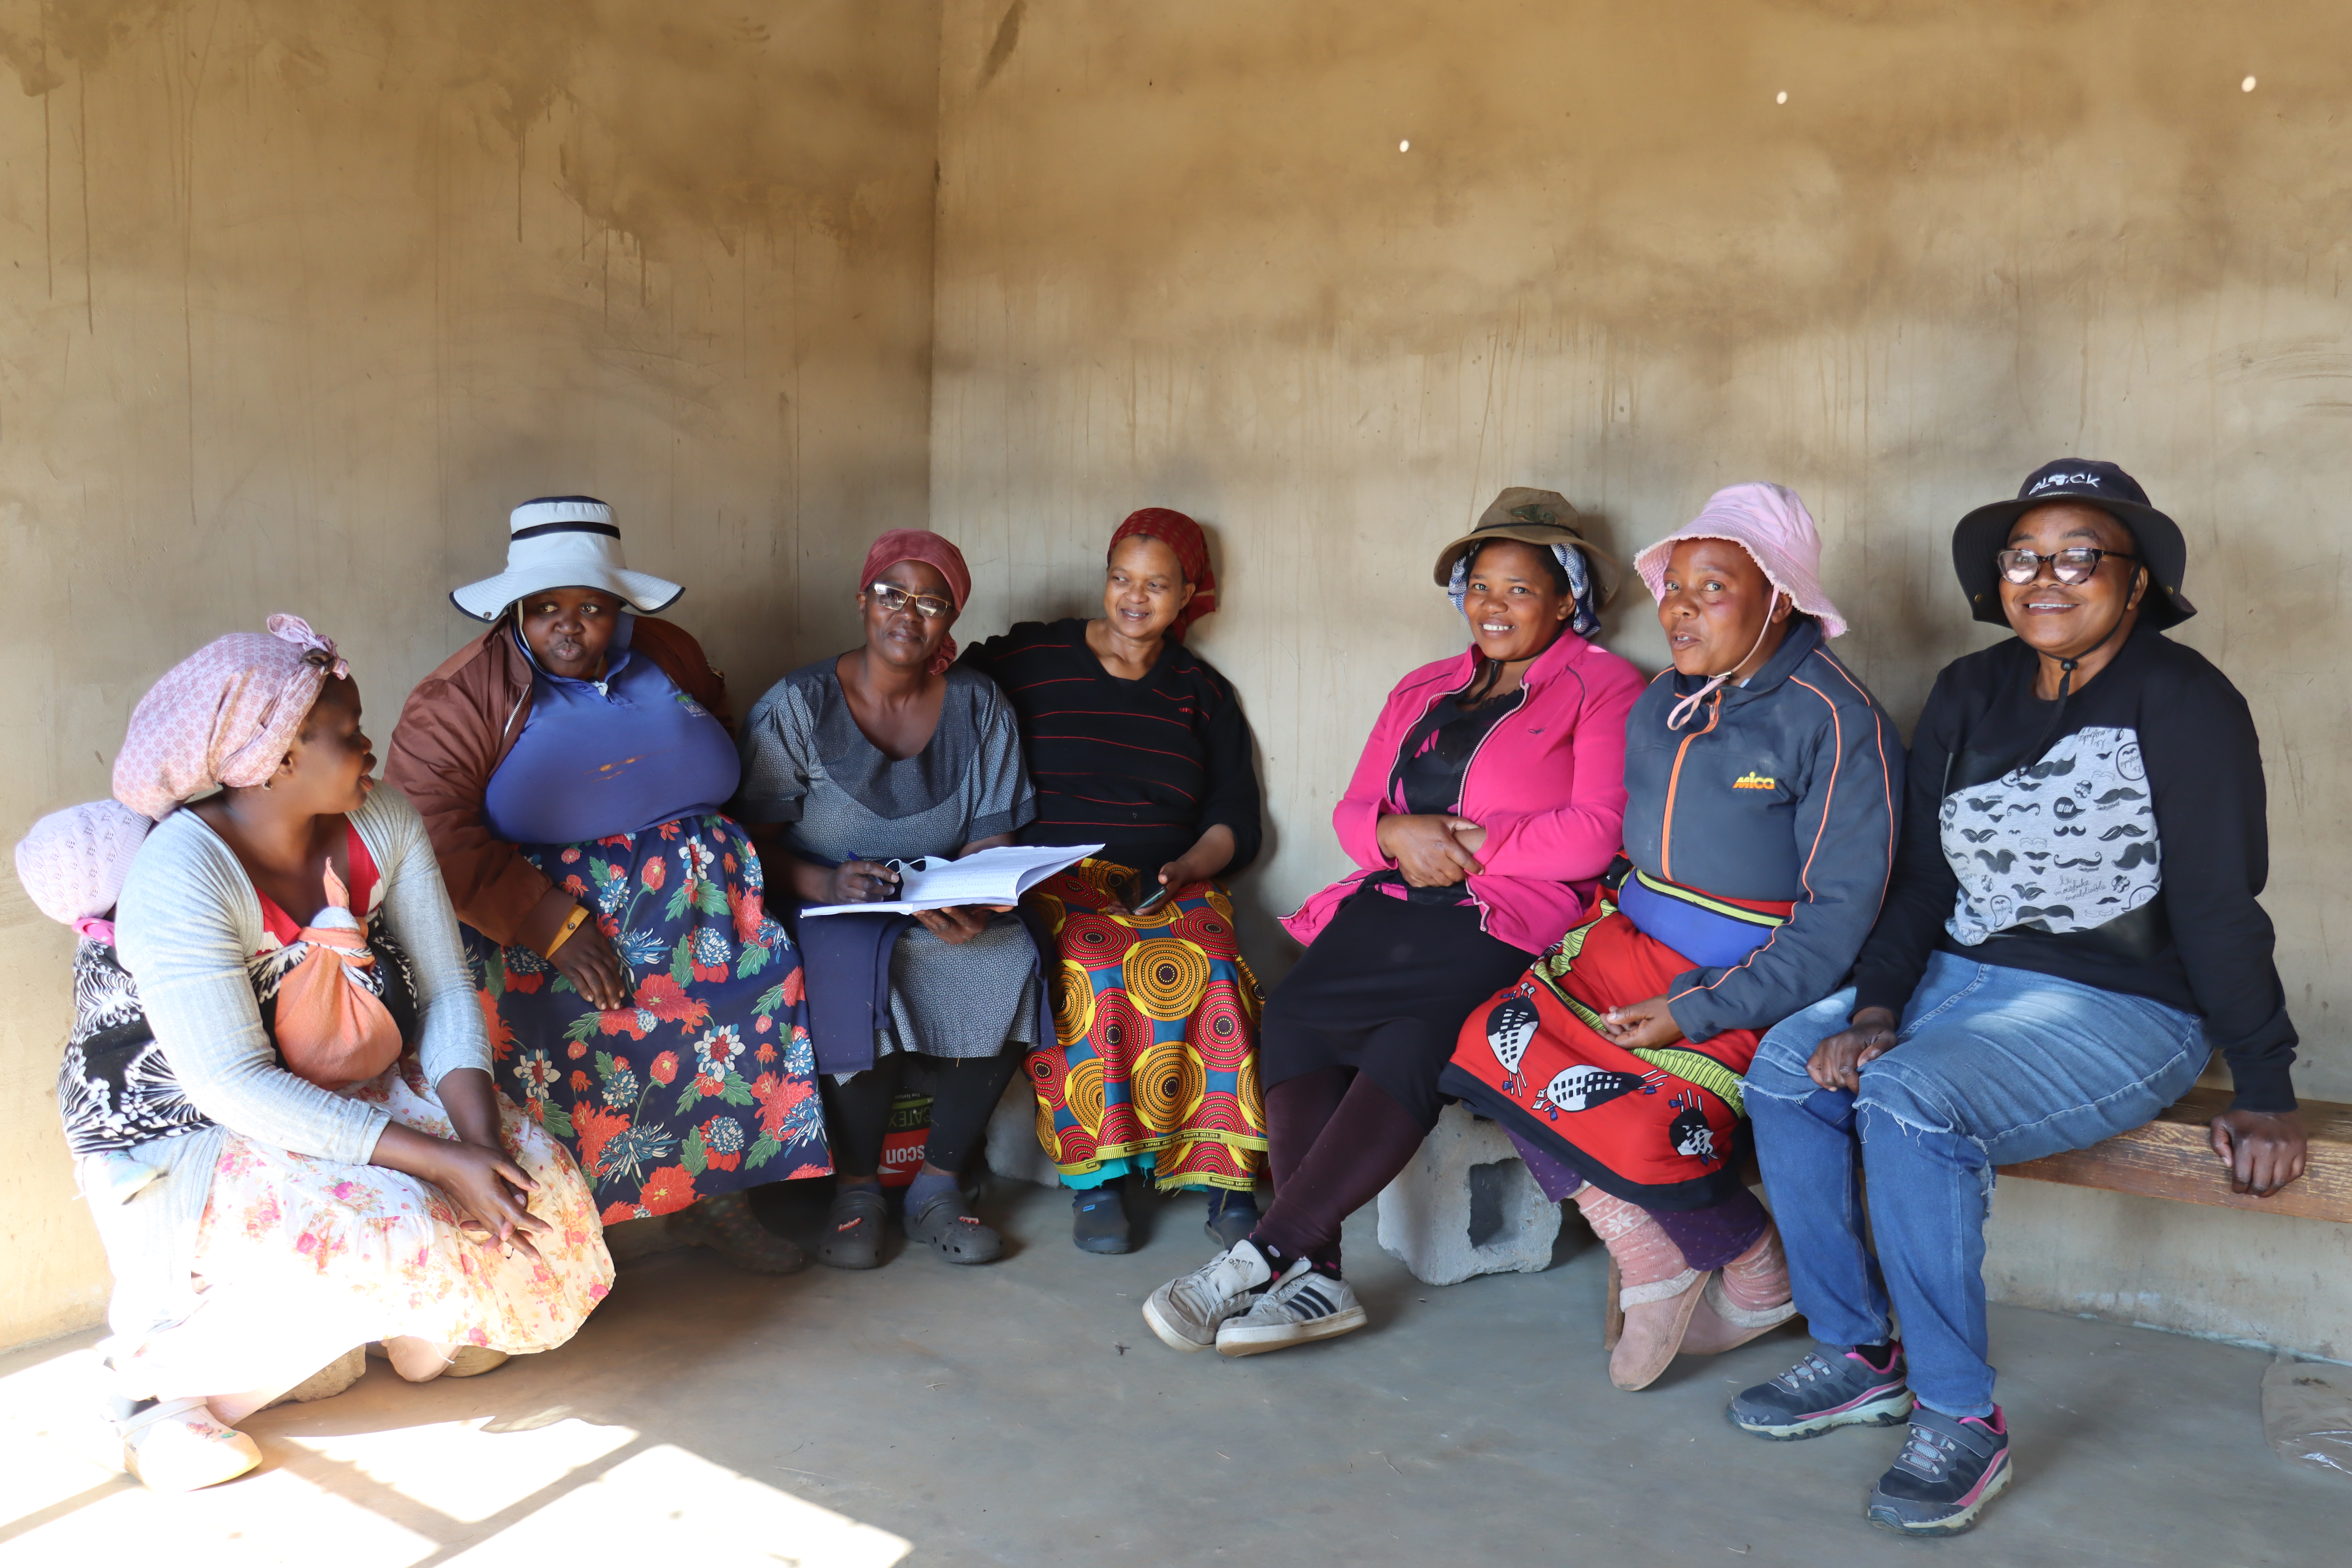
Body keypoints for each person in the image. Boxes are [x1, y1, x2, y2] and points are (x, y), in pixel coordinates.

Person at [1730, 460, 2308, 1538]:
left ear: (2136, 586)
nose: (2047, 576)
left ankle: (1962, 1418)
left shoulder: (2186, 701)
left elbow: (2222, 904)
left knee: (1906, 1102)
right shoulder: (1967, 692)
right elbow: (1924, 886)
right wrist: (1874, 1010)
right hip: (1956, 981)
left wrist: (2267, 1080)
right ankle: (1857, 1353)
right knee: (1780, 1069)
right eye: (2024, 556)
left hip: (2123, 1006)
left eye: (2081, 555)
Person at [54, 617, 609, 1491]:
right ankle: (148, 1401)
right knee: (398, 1223)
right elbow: (233, 1085)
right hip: (191, 1131)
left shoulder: (379, 818)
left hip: (350, 1083)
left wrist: (480, 1147)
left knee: (535, 1188)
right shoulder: (183, 875)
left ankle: (399, 1329)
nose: (369, 747)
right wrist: (437, 1159)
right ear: (272, 759)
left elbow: (447, 990)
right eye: (346, 734)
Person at [1141, 488, 1643, 1357]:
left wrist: (1475, 846)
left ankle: (1262, 1256)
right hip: (1395, 903)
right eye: (1480, 585)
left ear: (1567, 599)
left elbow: (1600, 829)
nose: (1493, 605)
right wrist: (1391, 835)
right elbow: (1351, 811)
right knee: (1297, 1015)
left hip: (1507, 916)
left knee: (1411, 1040)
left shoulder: (1603, 686)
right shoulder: (1424, 687)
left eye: (1520, 589)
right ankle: (1321, 1275)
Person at [1438, 483, 1901, 1390]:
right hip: (1626, 945)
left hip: (1749, 973)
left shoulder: (1838, 721)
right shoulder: (1664, 702)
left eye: (1712, 587)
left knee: (1644, 1117)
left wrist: (1700, 1009)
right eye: (1674, 586)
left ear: (1780, 596)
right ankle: (1673, 1249)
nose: (1680, 608)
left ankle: (1736, 1264)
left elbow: (1840, 917)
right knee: (1483, 1046)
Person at [386, 497, 827, 1274]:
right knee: (563, 1059)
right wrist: (552, 923)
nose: (570, 626)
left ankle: (721, 1201)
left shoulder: (671, 651)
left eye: (591, 608)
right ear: (516, 610)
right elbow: (433, 833)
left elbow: (709, 727)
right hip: (544, 926)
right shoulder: (459, 696)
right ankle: (569, 1238)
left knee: (726, 1036)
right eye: (548, 608)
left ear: (618, 607)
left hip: (704, 915)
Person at [962, 508, 1269, 1254]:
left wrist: (1190, 868)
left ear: (1189, 593)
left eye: (1157, 585)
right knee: (1094, 966)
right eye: (1121, 579)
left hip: (1168, 877)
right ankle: (1097, 1180)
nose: (1135, 598)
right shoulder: (1032, 655)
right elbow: (952, 693)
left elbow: (1235, 813)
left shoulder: (1201, 692)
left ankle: (1226, 1176)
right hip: (1055, 877)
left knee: (1216, 958)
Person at [735, 529, 1043, 1269]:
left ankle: (937, 1184)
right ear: (862, 600)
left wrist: (975, 896)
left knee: (1009, 954)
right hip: (828, 899)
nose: (910, 613)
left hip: (935, 899)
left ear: (951, 622)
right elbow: (748, 843)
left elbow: (993, 837)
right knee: (850, 969)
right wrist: (825, 883)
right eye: (892, 593)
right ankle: (858, 1189)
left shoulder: (978, 706)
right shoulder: (800, 705)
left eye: (933, 602)